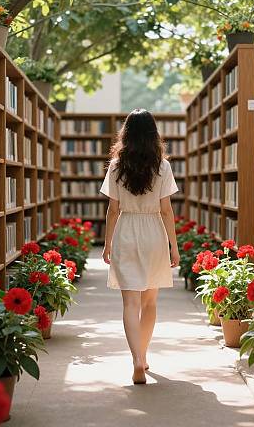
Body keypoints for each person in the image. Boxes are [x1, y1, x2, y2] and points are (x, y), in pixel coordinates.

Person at [100, 109, 180, 385]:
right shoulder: (163, 166)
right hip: (154, 232)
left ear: (126, 133)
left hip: (126, 230)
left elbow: (112, 210)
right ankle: (143, 356)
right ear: (153, 134)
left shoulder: (116, 165)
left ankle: (135, 359)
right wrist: (174, 246)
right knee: (150, 302)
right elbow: (167, 210)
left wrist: (108, 243)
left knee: (130, 302)